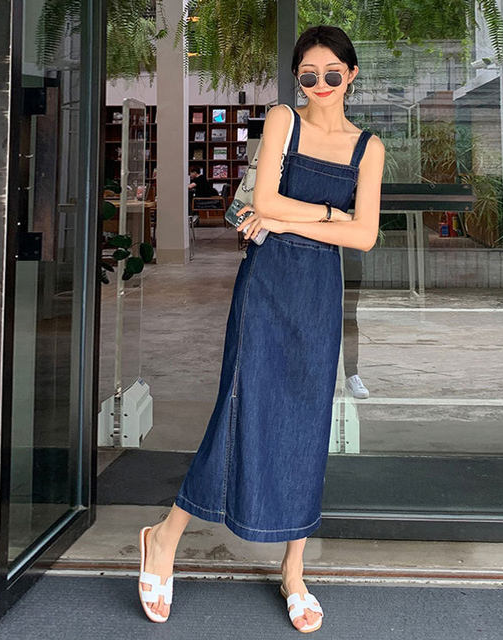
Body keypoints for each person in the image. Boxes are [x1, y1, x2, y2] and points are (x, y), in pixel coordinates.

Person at [138, 24, 384, 632]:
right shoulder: (283, 121)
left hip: (319, 293)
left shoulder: (368, 147)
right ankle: (163, 537)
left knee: (307, 422)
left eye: (332, 73)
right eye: (309, 74)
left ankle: (293, 569)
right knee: (239, 406)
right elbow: (266, 203)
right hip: (266, 285)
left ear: (351, 75)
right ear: (297, 78)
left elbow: (365, 235)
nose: (321, 84)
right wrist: (329, 213)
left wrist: (296, 221)